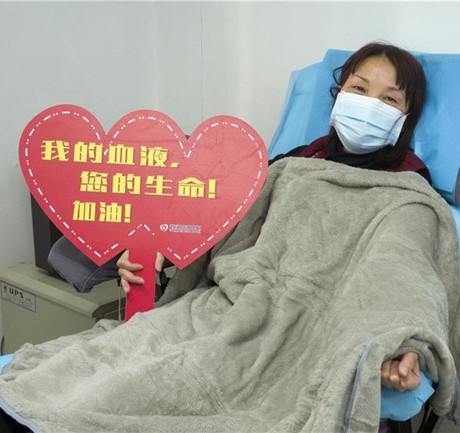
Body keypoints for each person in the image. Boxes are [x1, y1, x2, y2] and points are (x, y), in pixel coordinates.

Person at [118, 42, 429, 396]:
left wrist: (403, 341)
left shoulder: (409, 191)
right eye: (359, 88)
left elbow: (402, 270)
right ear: (339, 94)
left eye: (389, 99)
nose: (370, 104)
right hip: (231, 306)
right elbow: (222, 217)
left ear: (406, 120)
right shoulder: (294, 162)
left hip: (316, 331)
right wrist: (159, 246)